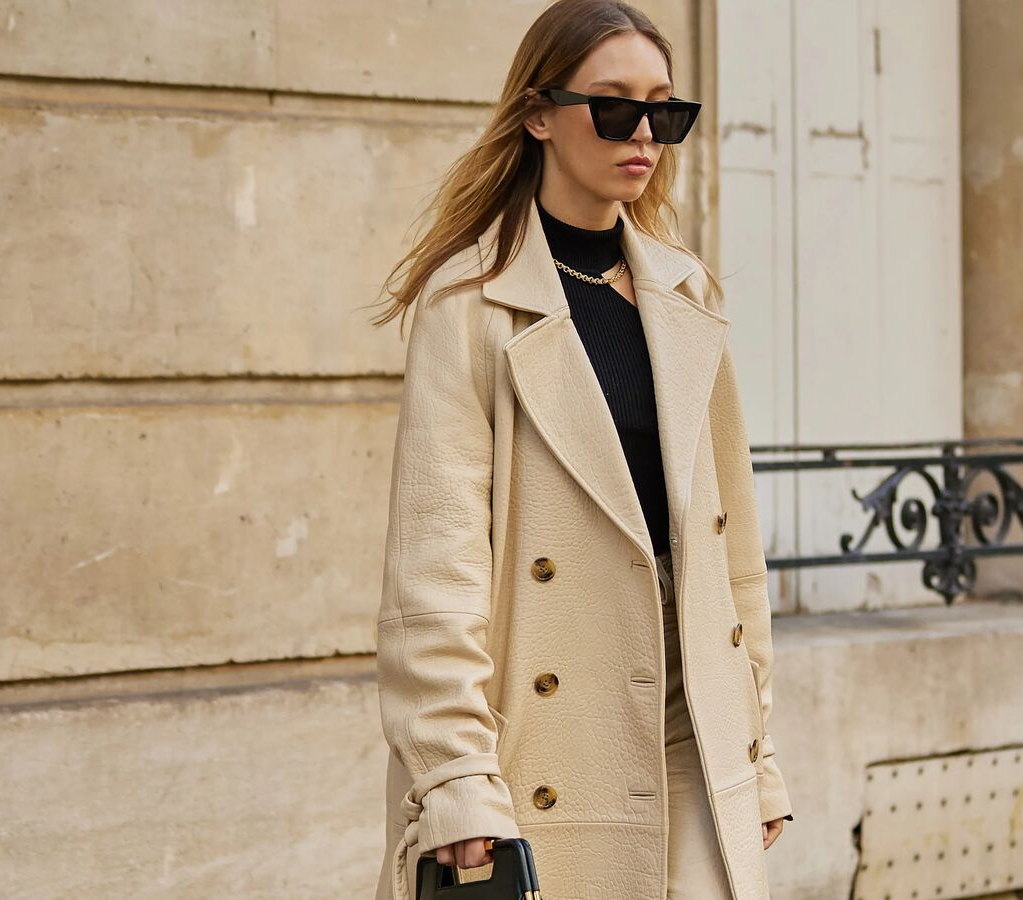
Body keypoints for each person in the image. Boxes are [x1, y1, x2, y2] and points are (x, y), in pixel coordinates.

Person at [367, 2, 792, 897]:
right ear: (538, 114)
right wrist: (453, 780)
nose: (644, 134)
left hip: (690, 718)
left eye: (664, 111)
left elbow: (732, 558)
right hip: (549, 734)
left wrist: (758, 756)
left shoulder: (685, 292)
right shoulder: (471, 303)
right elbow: (435, 576)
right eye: (612, 107)